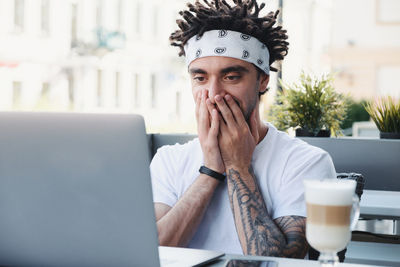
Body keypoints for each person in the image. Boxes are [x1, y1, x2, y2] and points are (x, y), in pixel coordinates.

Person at [150, 0, 336, 258]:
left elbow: (278, 262)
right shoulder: (168, 160)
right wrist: (211, 170)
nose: (214, 94)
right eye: (200, 78)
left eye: (231, 77)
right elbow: (151, 252)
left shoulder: (306, 163)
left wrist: (238, 166)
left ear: (262, 80)